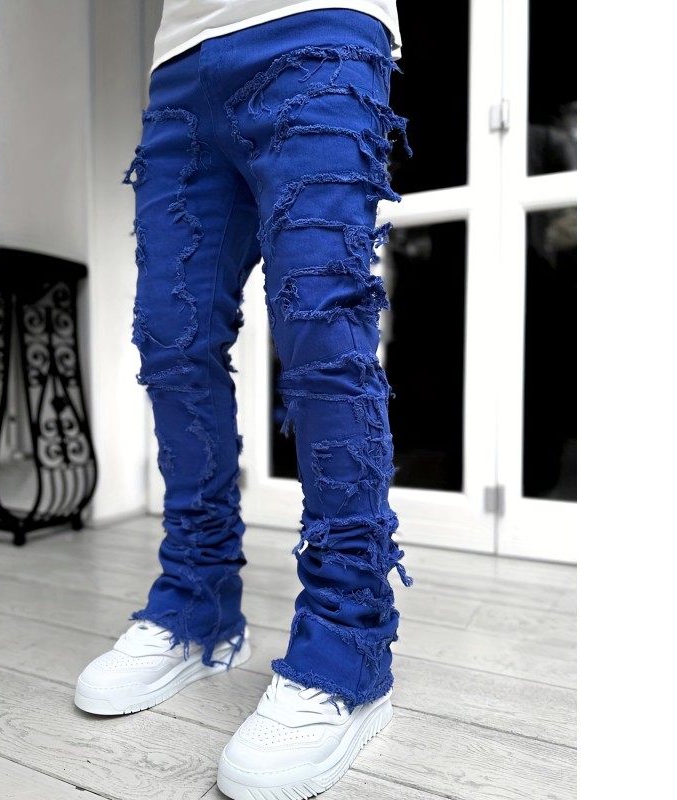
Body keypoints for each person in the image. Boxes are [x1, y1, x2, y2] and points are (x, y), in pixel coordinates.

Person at [74, 3, 413, 797]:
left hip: (316, 29)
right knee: (171, 339)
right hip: (180, 62)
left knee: (322, 332)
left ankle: (349, 645)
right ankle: (199, 607)